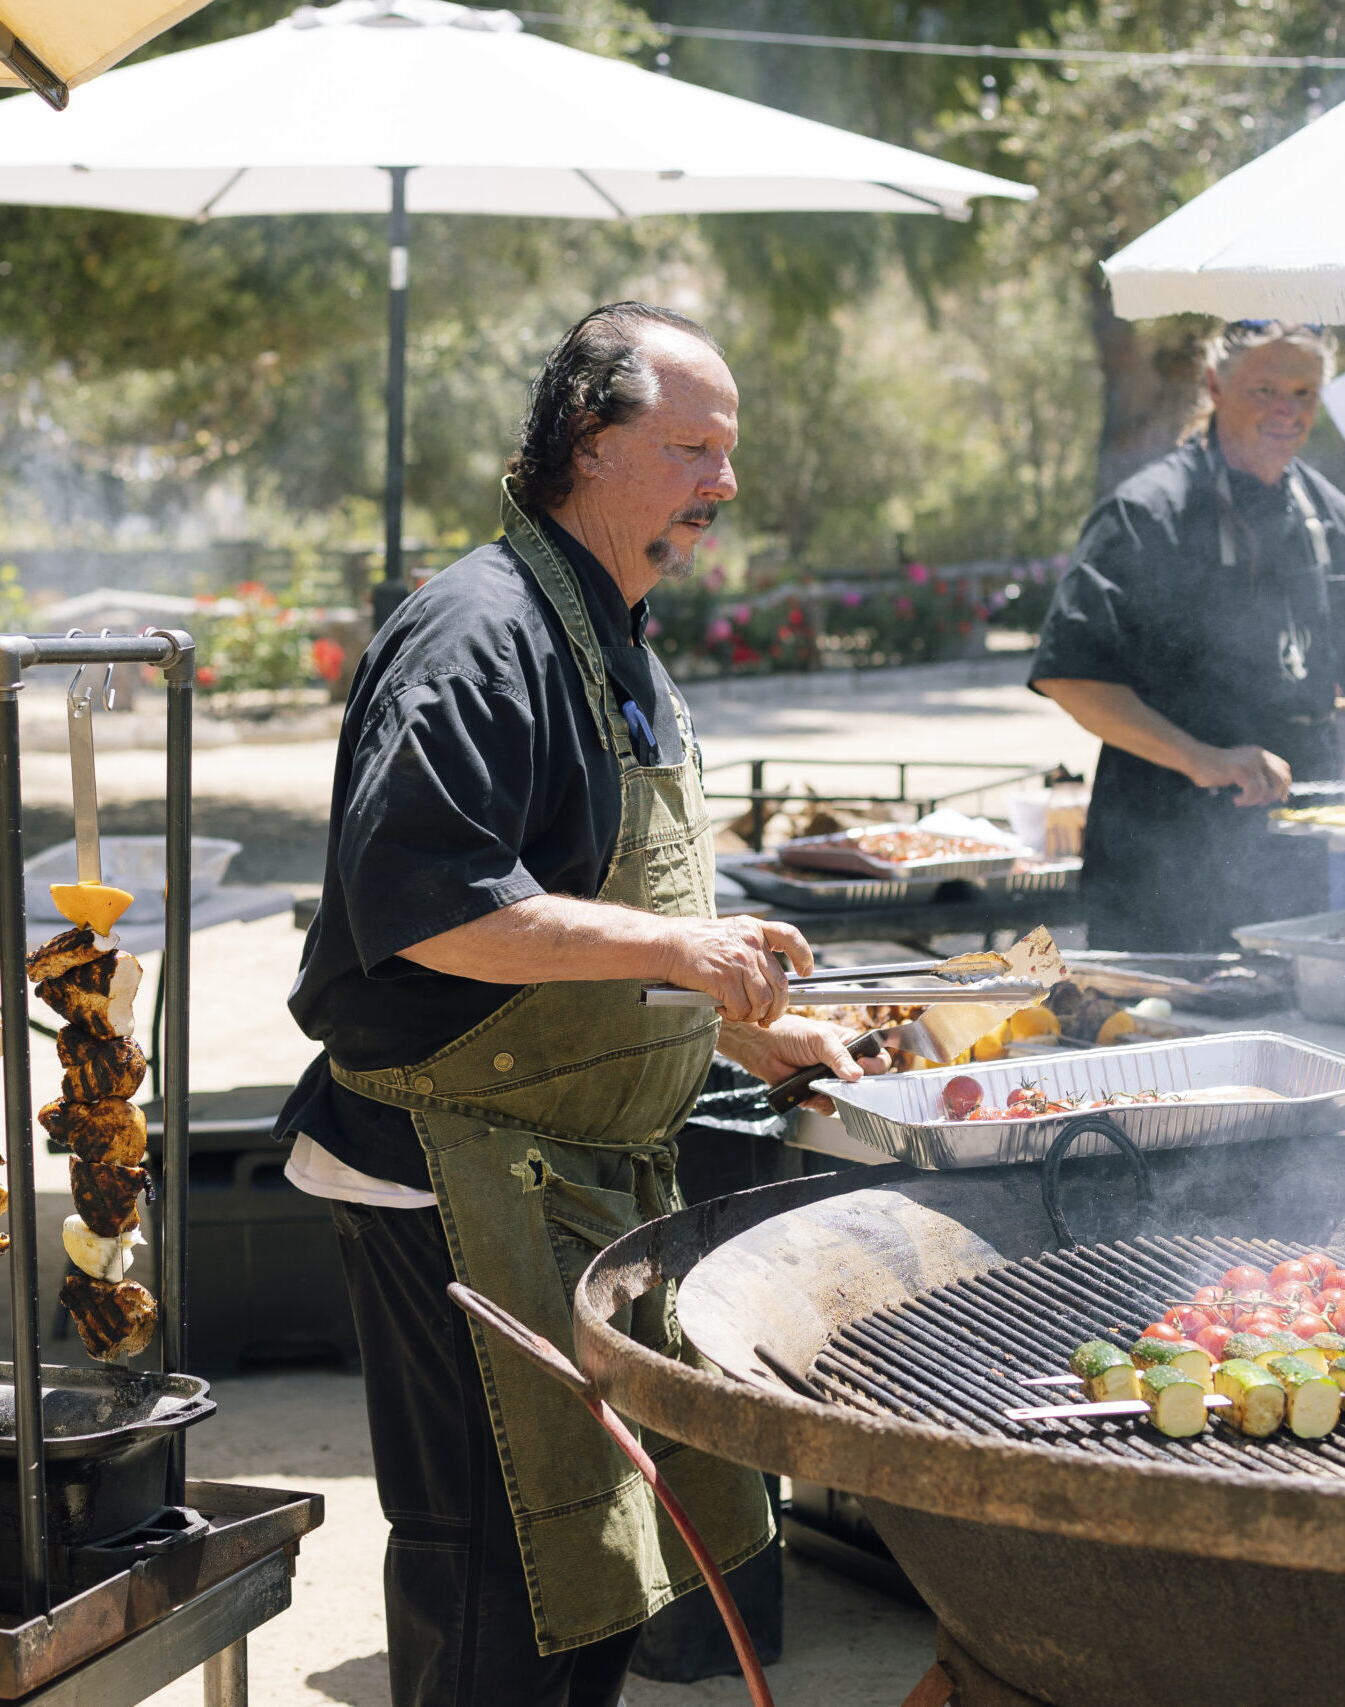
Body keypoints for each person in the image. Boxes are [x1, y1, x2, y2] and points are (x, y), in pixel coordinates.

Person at [275, 302, 881, 1707]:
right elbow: (426, 903)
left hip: (576, 1171)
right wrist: (678, 954)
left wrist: (745, 1025)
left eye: (725, 453)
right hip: (450, 1170)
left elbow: (590, 898)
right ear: (586, 443)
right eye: (689, 447)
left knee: (596, 1581)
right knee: (498, 1585)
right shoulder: (477, 630)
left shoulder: (614, 632)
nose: (719, 483)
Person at [1030, 319, 1345, 952]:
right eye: (1264, 390)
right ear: (1215, 384)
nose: (1286, 411)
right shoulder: (1148, 513)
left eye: (1303, 393)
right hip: (1162, 860)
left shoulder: (1341, 524)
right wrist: (1203, 758)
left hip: (1292, 865)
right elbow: (1073, 674)